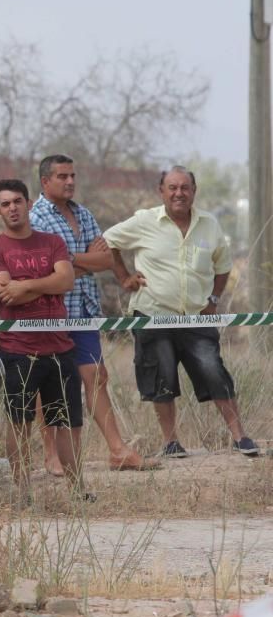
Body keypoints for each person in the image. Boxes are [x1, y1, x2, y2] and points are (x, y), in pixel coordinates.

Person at [103, 165, 258, 458]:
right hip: (153, 314)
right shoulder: (143, 221)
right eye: (172, 187)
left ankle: (240, 437)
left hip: (196, 315)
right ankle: (171, 442)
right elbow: (106, 243)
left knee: (214, 370)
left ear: (194, 192)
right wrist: (124, 277)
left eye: (185, 188)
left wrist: (213, 298)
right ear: (161, 191)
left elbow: (223, 267)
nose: (179, 193)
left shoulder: (209, 224)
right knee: (161, 378)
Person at [29, 154, 155, 472]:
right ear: (45, 181)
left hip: (84, 310)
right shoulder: (37, 218)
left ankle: (117, 450)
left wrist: (74, 262)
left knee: (96, 375)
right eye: (62, 176)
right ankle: (51, 454)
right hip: (51, 311)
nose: (70, 181)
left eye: (72, 175)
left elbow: (106, 260)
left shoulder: (83, 214)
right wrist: (80, 263)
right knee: (50, 382)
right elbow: (49, 266)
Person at [0, 179, 87, 499]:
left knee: (65, 423)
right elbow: (4, 292)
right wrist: (45, 282)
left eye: (18, 201)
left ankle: (77, 489)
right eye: (6, 203)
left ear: (28, 203)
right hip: (18, 350)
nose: (13, 208)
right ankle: (23, 491)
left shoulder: (52, 241)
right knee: (19, 423)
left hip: (60, 348)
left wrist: (25, 285)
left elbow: (66, 280)